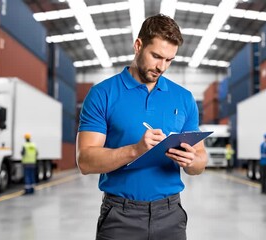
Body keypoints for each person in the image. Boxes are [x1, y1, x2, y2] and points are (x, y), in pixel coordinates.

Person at [76, 14, 208, 240]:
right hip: (120, 215)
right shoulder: (102, 94)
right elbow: (85, 161)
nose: (161, 67)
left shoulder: (184, 99)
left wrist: (192, 161)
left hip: (171, 215)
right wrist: (135, 150)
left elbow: (200, 161)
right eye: (156, 56)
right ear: (138, 45)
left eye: (169, 60)